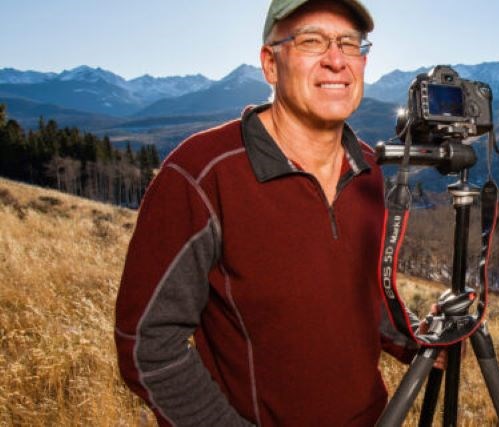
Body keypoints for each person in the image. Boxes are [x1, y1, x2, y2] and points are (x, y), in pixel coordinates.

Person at [114, 1, 421, 425]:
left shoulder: (368, 170)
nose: (336, 60)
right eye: (312, 41)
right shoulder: (203, 174)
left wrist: (413, 342)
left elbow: (361, 295)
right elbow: (146, 345)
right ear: (270, 64)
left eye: (350, 44)